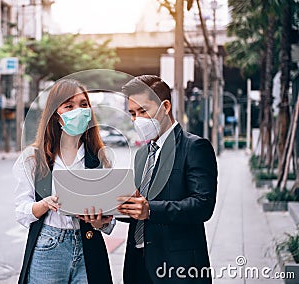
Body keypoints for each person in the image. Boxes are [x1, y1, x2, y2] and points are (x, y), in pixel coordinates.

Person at [117, 75, 218, 284]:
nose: (137, 120)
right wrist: (110, 214)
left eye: (143, 111)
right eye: (132, 114)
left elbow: (202, 206)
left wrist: (151, 210)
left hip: (177, 266)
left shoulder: (195, 147)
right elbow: (140, 206)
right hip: (137, 265)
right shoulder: (142, 154)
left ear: (165, 106)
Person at [13, 79, 113, 284]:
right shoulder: (34, 158)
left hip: (88, 246)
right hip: (49, 247)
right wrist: (44, 204)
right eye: (69, 106)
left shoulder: (100, 157)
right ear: (55, 114)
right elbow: (21, 211)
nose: (79, 110)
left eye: (84, 105)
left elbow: (109, 222)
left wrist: (98, 221)